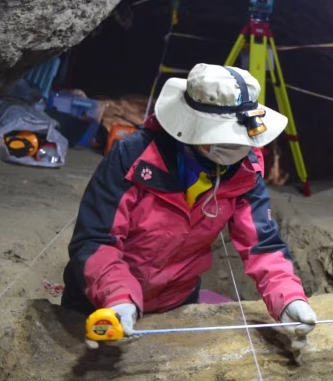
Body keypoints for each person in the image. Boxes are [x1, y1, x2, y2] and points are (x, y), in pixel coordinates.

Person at [62, 64, 316, 351]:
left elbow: (263, 245)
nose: (236, 150)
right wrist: (118, 298)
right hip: (102, 307)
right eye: (223, 139)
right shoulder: (134, 156)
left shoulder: (247, 170)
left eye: (242, 140)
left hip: (176, 307)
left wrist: (289, 299)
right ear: (192, 127)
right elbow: (95, 240)